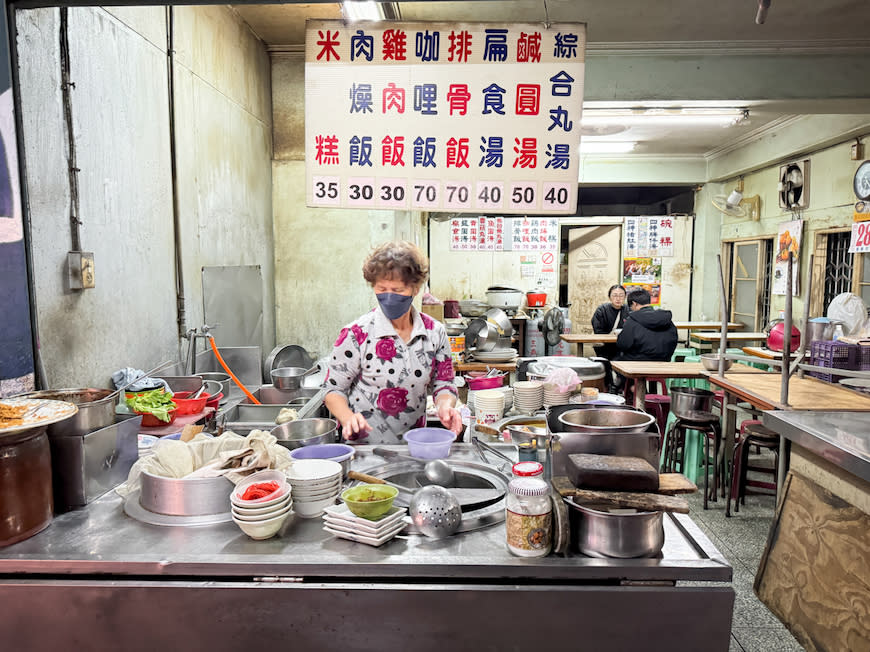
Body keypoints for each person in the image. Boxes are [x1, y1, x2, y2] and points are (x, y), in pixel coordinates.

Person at [323, 241, 463, 444]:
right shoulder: (356, 334)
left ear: (415, 289)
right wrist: (347, 418)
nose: (389, 297)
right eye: (382, 289)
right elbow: (332, 390)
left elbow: (444, 383)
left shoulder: (434, 333)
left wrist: (445, 406)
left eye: (397, 290)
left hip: (415, 447)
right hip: (365, 450)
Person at [615, 288, 678, 362]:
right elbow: (674, 340)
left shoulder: (632, 321)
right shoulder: (666, 320)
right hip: (664, 362)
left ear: (634, 304)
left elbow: (623, 344)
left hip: (636, 365)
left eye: (630, 307)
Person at [590, 284, 629, 359]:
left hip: (623, 346)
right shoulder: (602, 310)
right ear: (609, 297)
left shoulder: (629, 310)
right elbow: (598, 330)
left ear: (625, 297)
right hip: (606, 346)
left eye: (621, 296)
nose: (618, 299)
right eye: (615, 295)